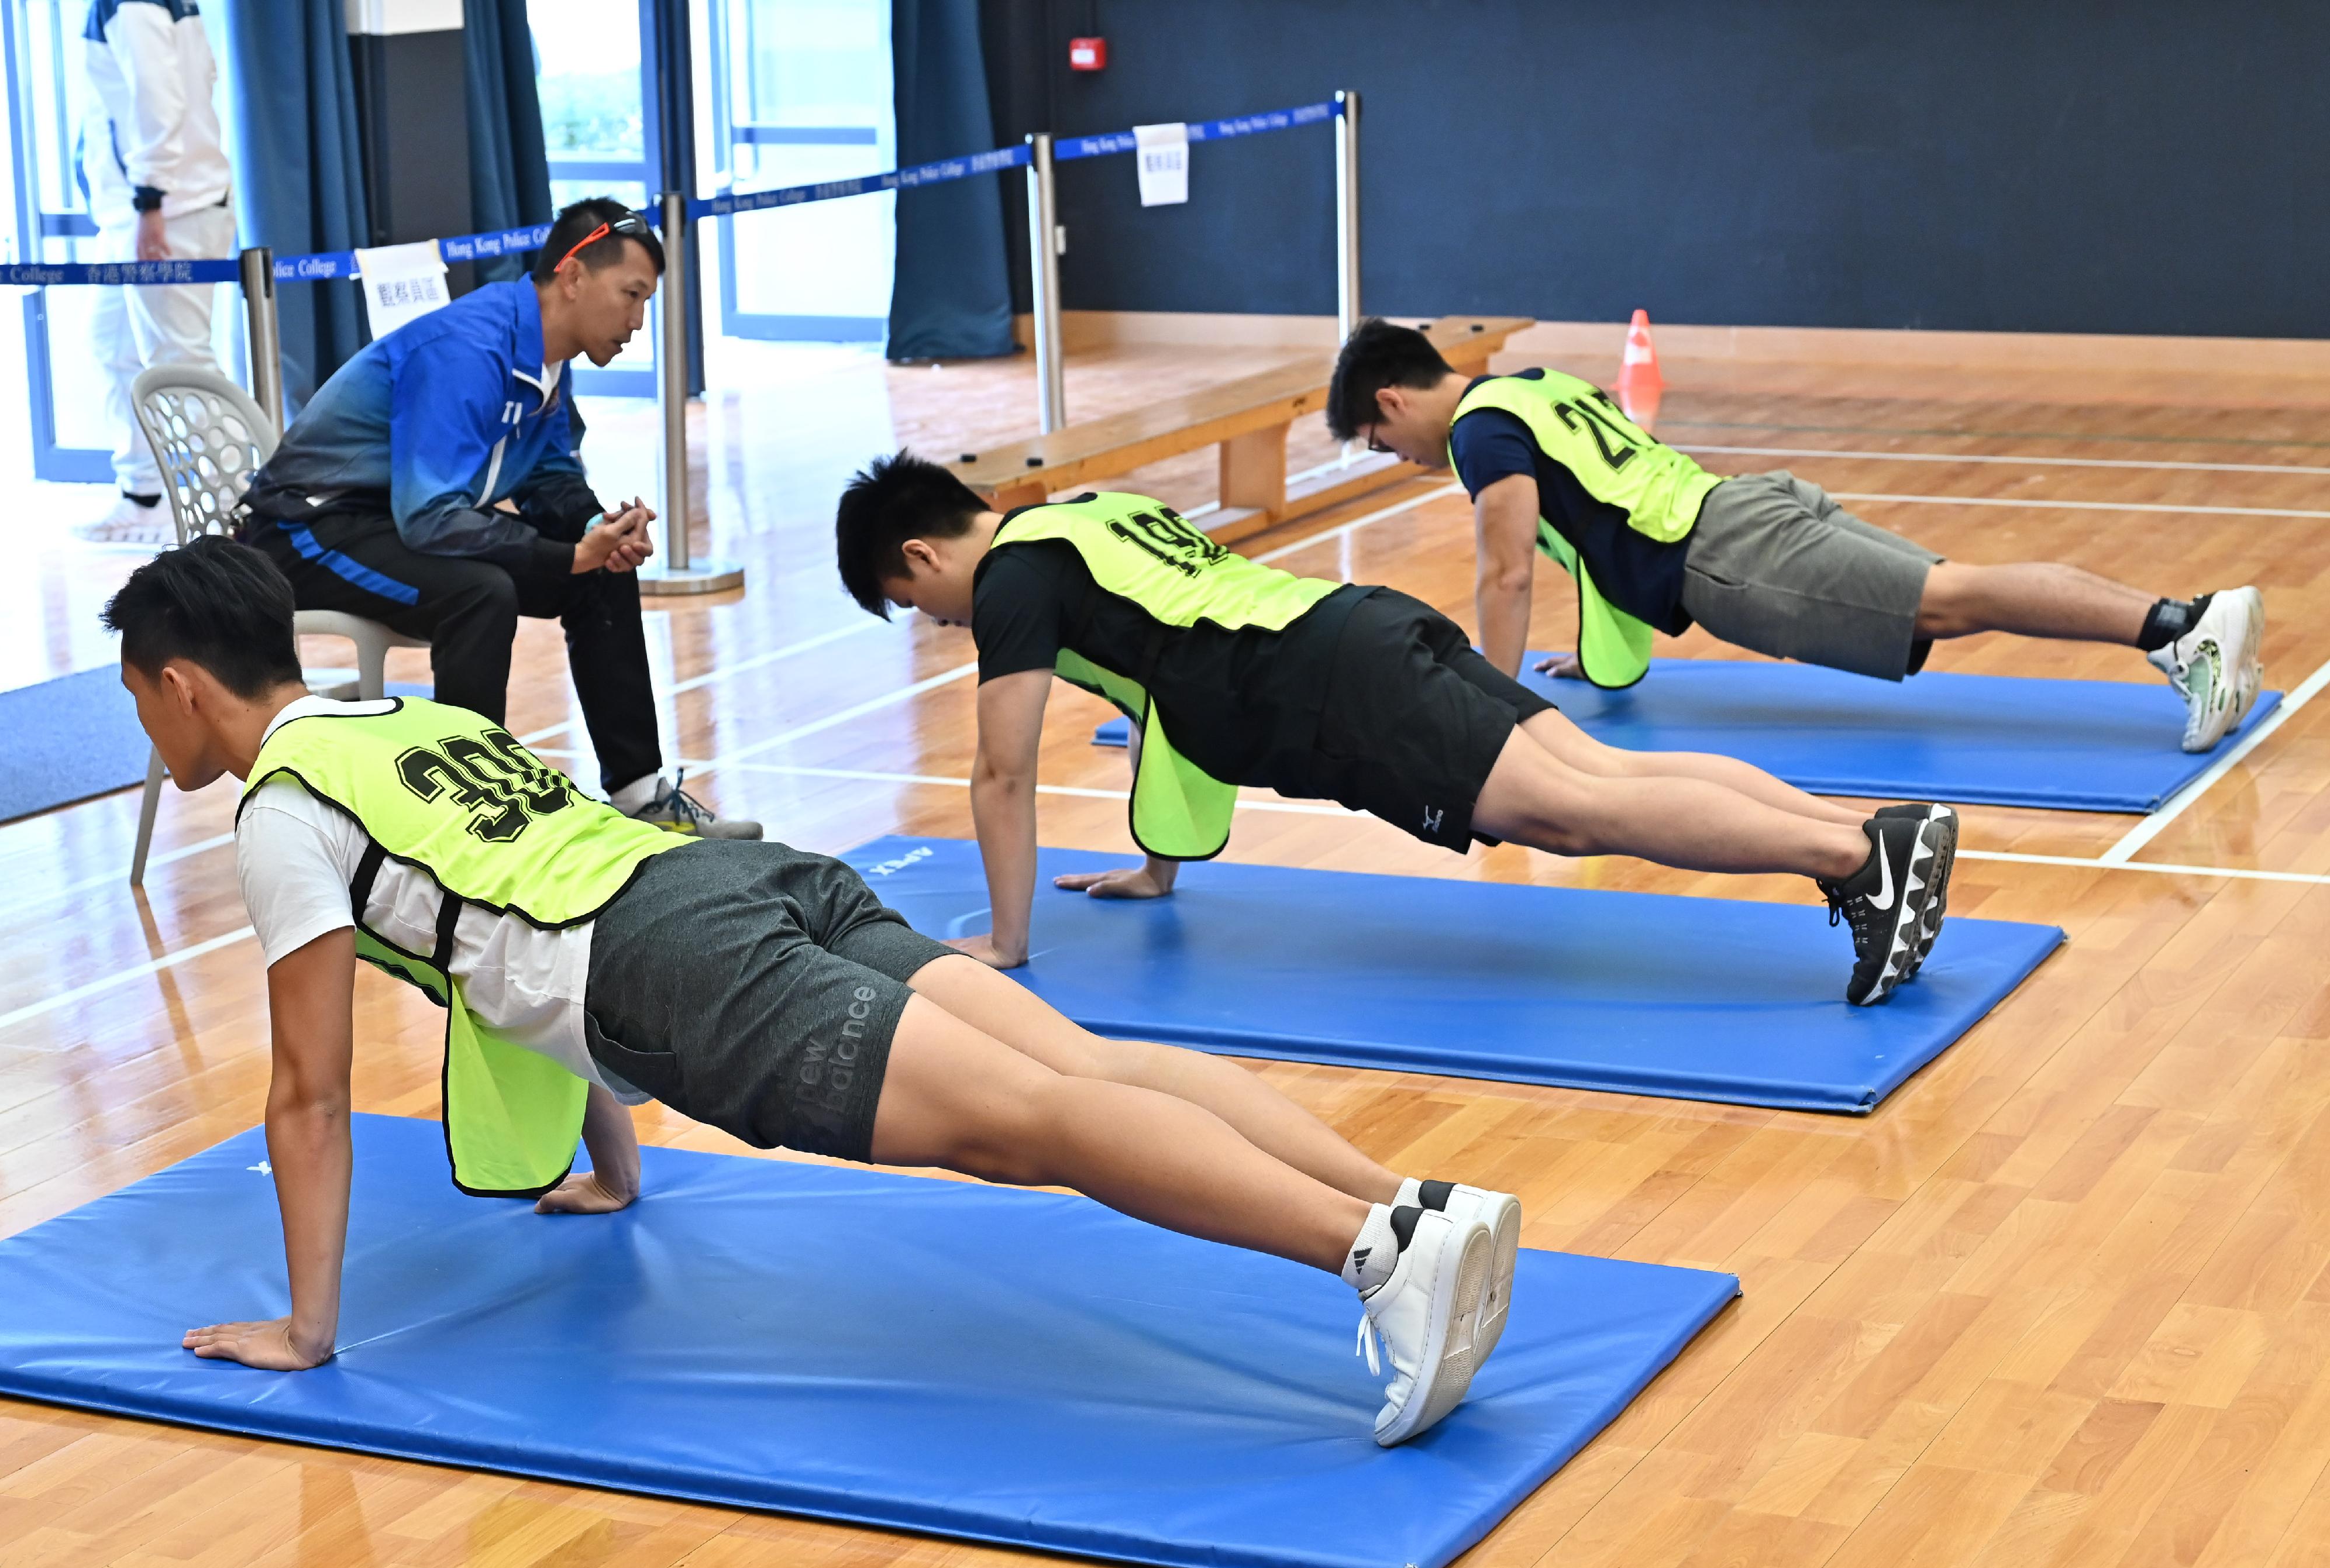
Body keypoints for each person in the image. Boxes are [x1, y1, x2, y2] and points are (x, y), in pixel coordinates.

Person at [102, 537, 1518, 1448]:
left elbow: (309, 1090)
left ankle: (1371, 1254)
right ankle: (1411, 1203)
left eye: (135, 698)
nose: (141, 726)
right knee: (1082, 1066)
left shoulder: (282, 807)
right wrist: (613, 1161)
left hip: (681, 963)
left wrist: (307, 1326)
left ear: (180, 684)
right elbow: (511, 935)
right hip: (742, 878)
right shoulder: (414, 714)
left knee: (1031, 1123)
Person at [833, 453, 1959, 1008]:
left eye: (916, 604)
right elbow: (1170, 674)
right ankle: (1870, 835)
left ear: (923, 557)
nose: (937, 626)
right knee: (1599, 767)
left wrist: (1006, 943)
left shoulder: (1012, 582)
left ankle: (1857, 861)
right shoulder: (1083, 514)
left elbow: (1001, 771)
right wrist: (1157, 869)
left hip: (1334, 685)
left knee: (1573, 814)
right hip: (1355, 623)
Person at [1326, 319, 2267, 754]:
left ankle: (2182, 628)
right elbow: (1598, 535)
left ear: (1392, 399)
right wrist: (1601, 663)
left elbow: (1506, 572)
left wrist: (1492, 705)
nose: (1398, 457)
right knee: (1951, 591)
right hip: (1746, 507)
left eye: (1379, 441)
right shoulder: (1531, 385)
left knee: (1954, 596)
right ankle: (2182, 627)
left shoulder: (1475, 435)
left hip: (1729, 555)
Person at [241, 198, 756, 840]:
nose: (638, 319)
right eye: (631, 294)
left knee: (601, 573)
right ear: (571, 275)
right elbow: (431, 517)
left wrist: (598, 528)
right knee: (481, 594)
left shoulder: (547, 361)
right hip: (303, 532)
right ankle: (469, 822)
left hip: (390, 521)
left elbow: (549, 476)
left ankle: (639, 794)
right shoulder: (466, 351)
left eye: (646, 300)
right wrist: (566, 555)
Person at [74, 0, 236, 543]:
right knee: (114, 346)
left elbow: (157, 96)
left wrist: (151, 199)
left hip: (168, 211)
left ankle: (224, 511)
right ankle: (145, 494)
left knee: (180, 360)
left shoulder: (130, 4)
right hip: (138, 211)